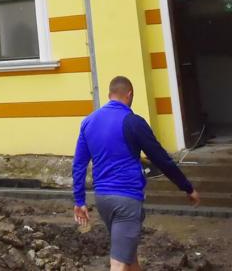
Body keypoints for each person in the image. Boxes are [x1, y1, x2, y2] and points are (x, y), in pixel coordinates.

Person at [73, 76, 201, 271]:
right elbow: (161, 159)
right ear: (130, 94)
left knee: (129, 258)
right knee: (118, 263)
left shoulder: (88, 122)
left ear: (109, 95)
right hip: (127, 199)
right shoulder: (133, 122)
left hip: (102, 199)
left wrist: (79, 201)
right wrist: (187, 187)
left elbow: (79, 164)